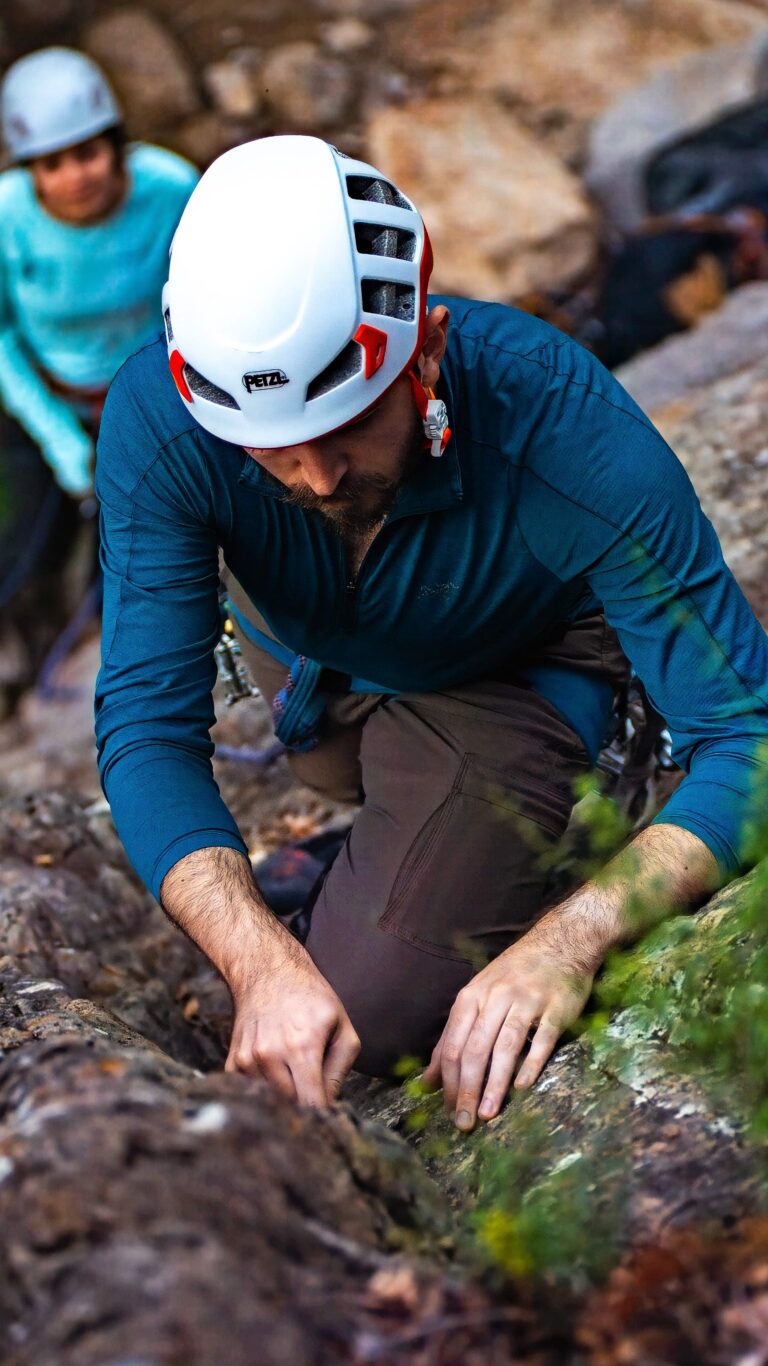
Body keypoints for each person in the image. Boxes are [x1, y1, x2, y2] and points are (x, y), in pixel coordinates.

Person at [95, 135, 768, 1132]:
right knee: (322, 766)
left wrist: (569, 940)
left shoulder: (560, 423)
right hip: (346, 653)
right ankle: (397, 830)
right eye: (274, 452)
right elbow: (146, 725)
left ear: (429, 349)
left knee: (368, 1003)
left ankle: (611, 753)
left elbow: (748, 735)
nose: (316, 477)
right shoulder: (167, 420)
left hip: (523, 656)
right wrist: (257, 958)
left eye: (349, 428)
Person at [0, 47, 198, 703]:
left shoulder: (169, 189)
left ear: (116, 146)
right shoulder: (7, 219)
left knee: (134, 533)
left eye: (88, 152)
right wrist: (61, 440)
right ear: (29, 169)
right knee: (29, 537)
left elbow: (199, 295)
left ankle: (124, 653)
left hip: (146, 391)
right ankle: (26, 645)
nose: (76, 175)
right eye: (53, 163)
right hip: (41, 397)